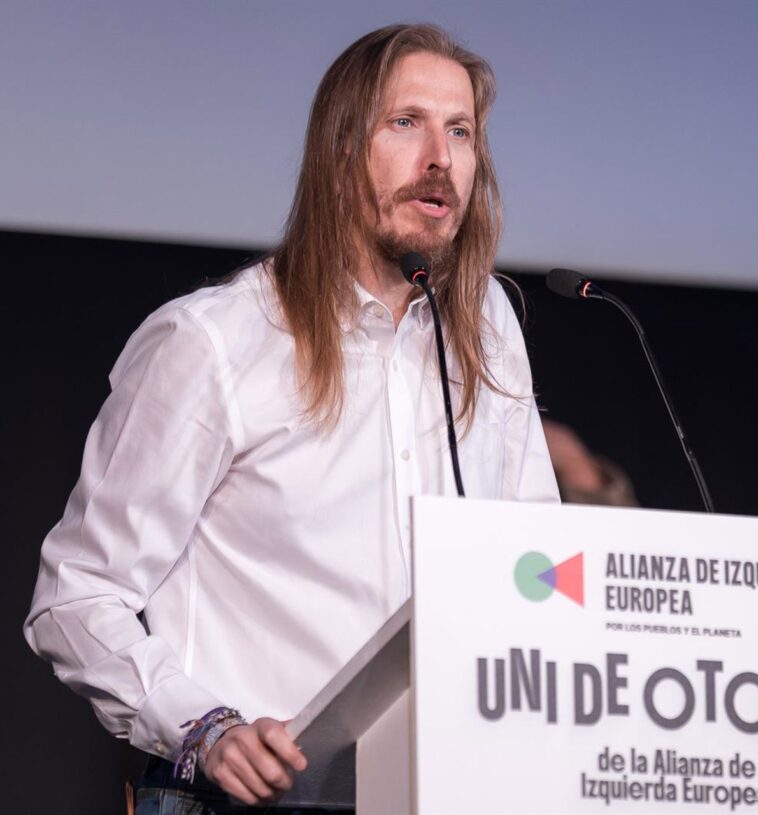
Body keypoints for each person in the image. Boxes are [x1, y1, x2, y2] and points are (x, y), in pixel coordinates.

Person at [24, 24, 558, 812]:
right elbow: (76, 595)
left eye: (461, 131)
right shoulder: (215, 341)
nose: (440, 158)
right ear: (340, 151)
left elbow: (536, 560)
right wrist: (201, 725)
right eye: (406, 123)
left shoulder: (488, 336)